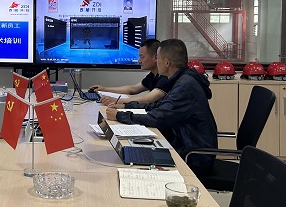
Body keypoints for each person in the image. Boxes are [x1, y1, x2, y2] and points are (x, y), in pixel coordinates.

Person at [106, 39, 218, 175]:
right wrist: (126, 106)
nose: (156, 61)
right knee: (132, 153)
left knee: (134, 162)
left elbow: (157, 118)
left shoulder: (185, 86)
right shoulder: (181, 79)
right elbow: (158, 107)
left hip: (193, 157)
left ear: (167, 63)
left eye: (157, 58)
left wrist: (119, 115)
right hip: (184, 146)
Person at [90, 39, 169, 106]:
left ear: (155, 57)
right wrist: (104, 89)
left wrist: (115, 100)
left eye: (142, 57)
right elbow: (133, 89)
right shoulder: (153, 75)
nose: (139, 61)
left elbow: (147, 100)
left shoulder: (166, 77)